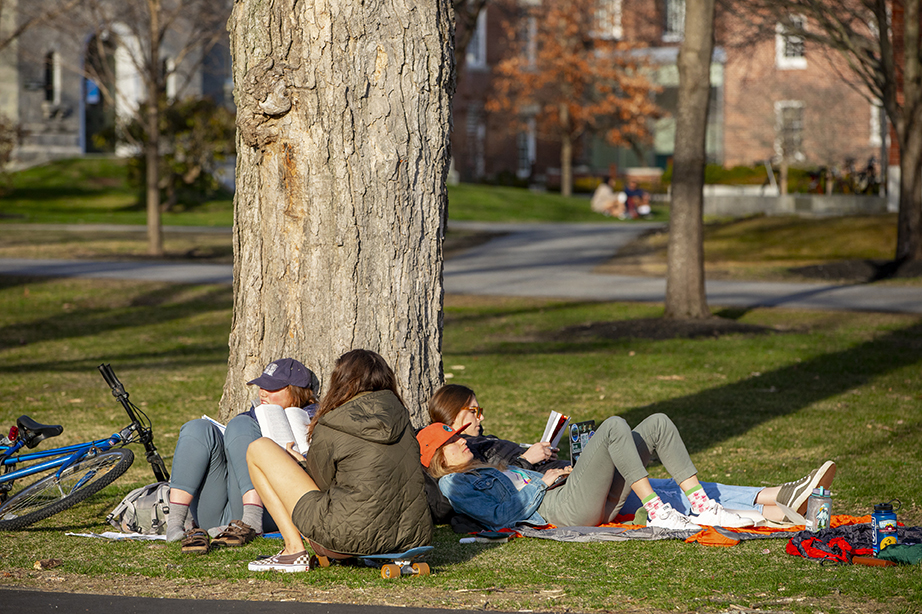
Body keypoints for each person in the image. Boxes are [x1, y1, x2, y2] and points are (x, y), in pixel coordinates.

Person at [425, 385, 836, 526]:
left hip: (570, 486)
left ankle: (762, 506)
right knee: (616, 427)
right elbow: (499, 511)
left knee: (655, 423)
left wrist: (554, 467)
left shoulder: (479, 452)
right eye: (471, 413)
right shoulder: (455, 479)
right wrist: (538, 474)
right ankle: (666, 508)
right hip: (559, 501)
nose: (476, 423)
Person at [245, 349, 432, 572]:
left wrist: (297, 463)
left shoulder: (333, 421)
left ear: (341, 380)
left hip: (346, 538)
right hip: (409, 536)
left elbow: (320, 484)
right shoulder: (402, 418)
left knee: (258, 448)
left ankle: (293, 550)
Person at [166, 358, 320, 552]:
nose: (263, 392)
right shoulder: (250, 417)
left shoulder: (315, 421)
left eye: (273, 389)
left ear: (297, 392)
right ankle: (175, 524)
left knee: (241, 425)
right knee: (197, 428)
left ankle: (251, 521)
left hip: (268, 510)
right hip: (215, 511)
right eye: (262, 386)